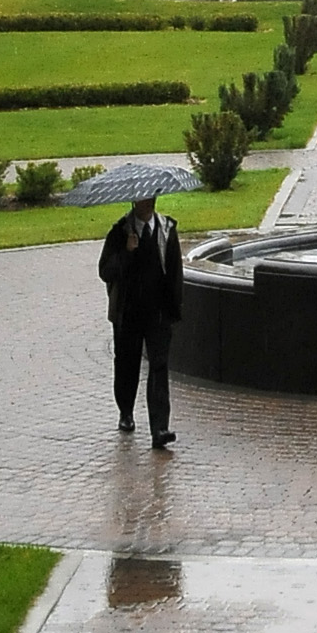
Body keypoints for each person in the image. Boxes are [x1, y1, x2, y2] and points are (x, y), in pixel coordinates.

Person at [97, 189, 183, 449]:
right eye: (145, 199)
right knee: (127, 364)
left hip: (157, 313)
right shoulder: (120, 232)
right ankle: (126, 411)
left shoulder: (167, 230)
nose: (150, 202)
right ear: (135, 202)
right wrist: (126, 252)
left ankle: (160, 428)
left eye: (153, 198)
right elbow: (105, 271)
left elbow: (175, 271)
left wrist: (173, 309)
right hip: (129, 311)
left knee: (158, 366)